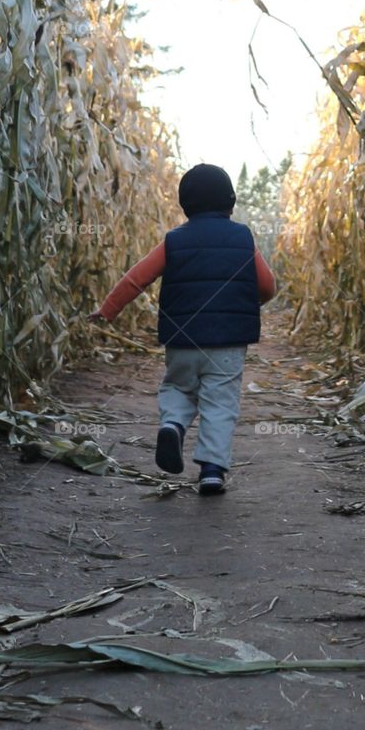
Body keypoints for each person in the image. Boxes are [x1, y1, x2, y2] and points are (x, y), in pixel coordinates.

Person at [89, 164, 276, 494]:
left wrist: (108, 310)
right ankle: (212, 471)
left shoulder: (174, 241)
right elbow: (267, 285)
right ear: (231, 203)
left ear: (184, 205)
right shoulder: (243, 238)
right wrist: (249, 305)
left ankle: (173, 425)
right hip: (228, 342)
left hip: (182, 338)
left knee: (178, 387)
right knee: (220, 404)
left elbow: (137, 278)